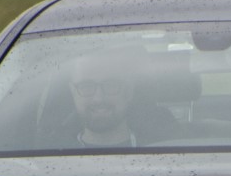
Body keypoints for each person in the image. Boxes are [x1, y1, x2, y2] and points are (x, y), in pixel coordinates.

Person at [52, 50, 181, 149]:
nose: (98, 98)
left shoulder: (166, 151)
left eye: (111, 85)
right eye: (86, 86)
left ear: (129, 90)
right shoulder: (49, 154)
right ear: (72, 91)